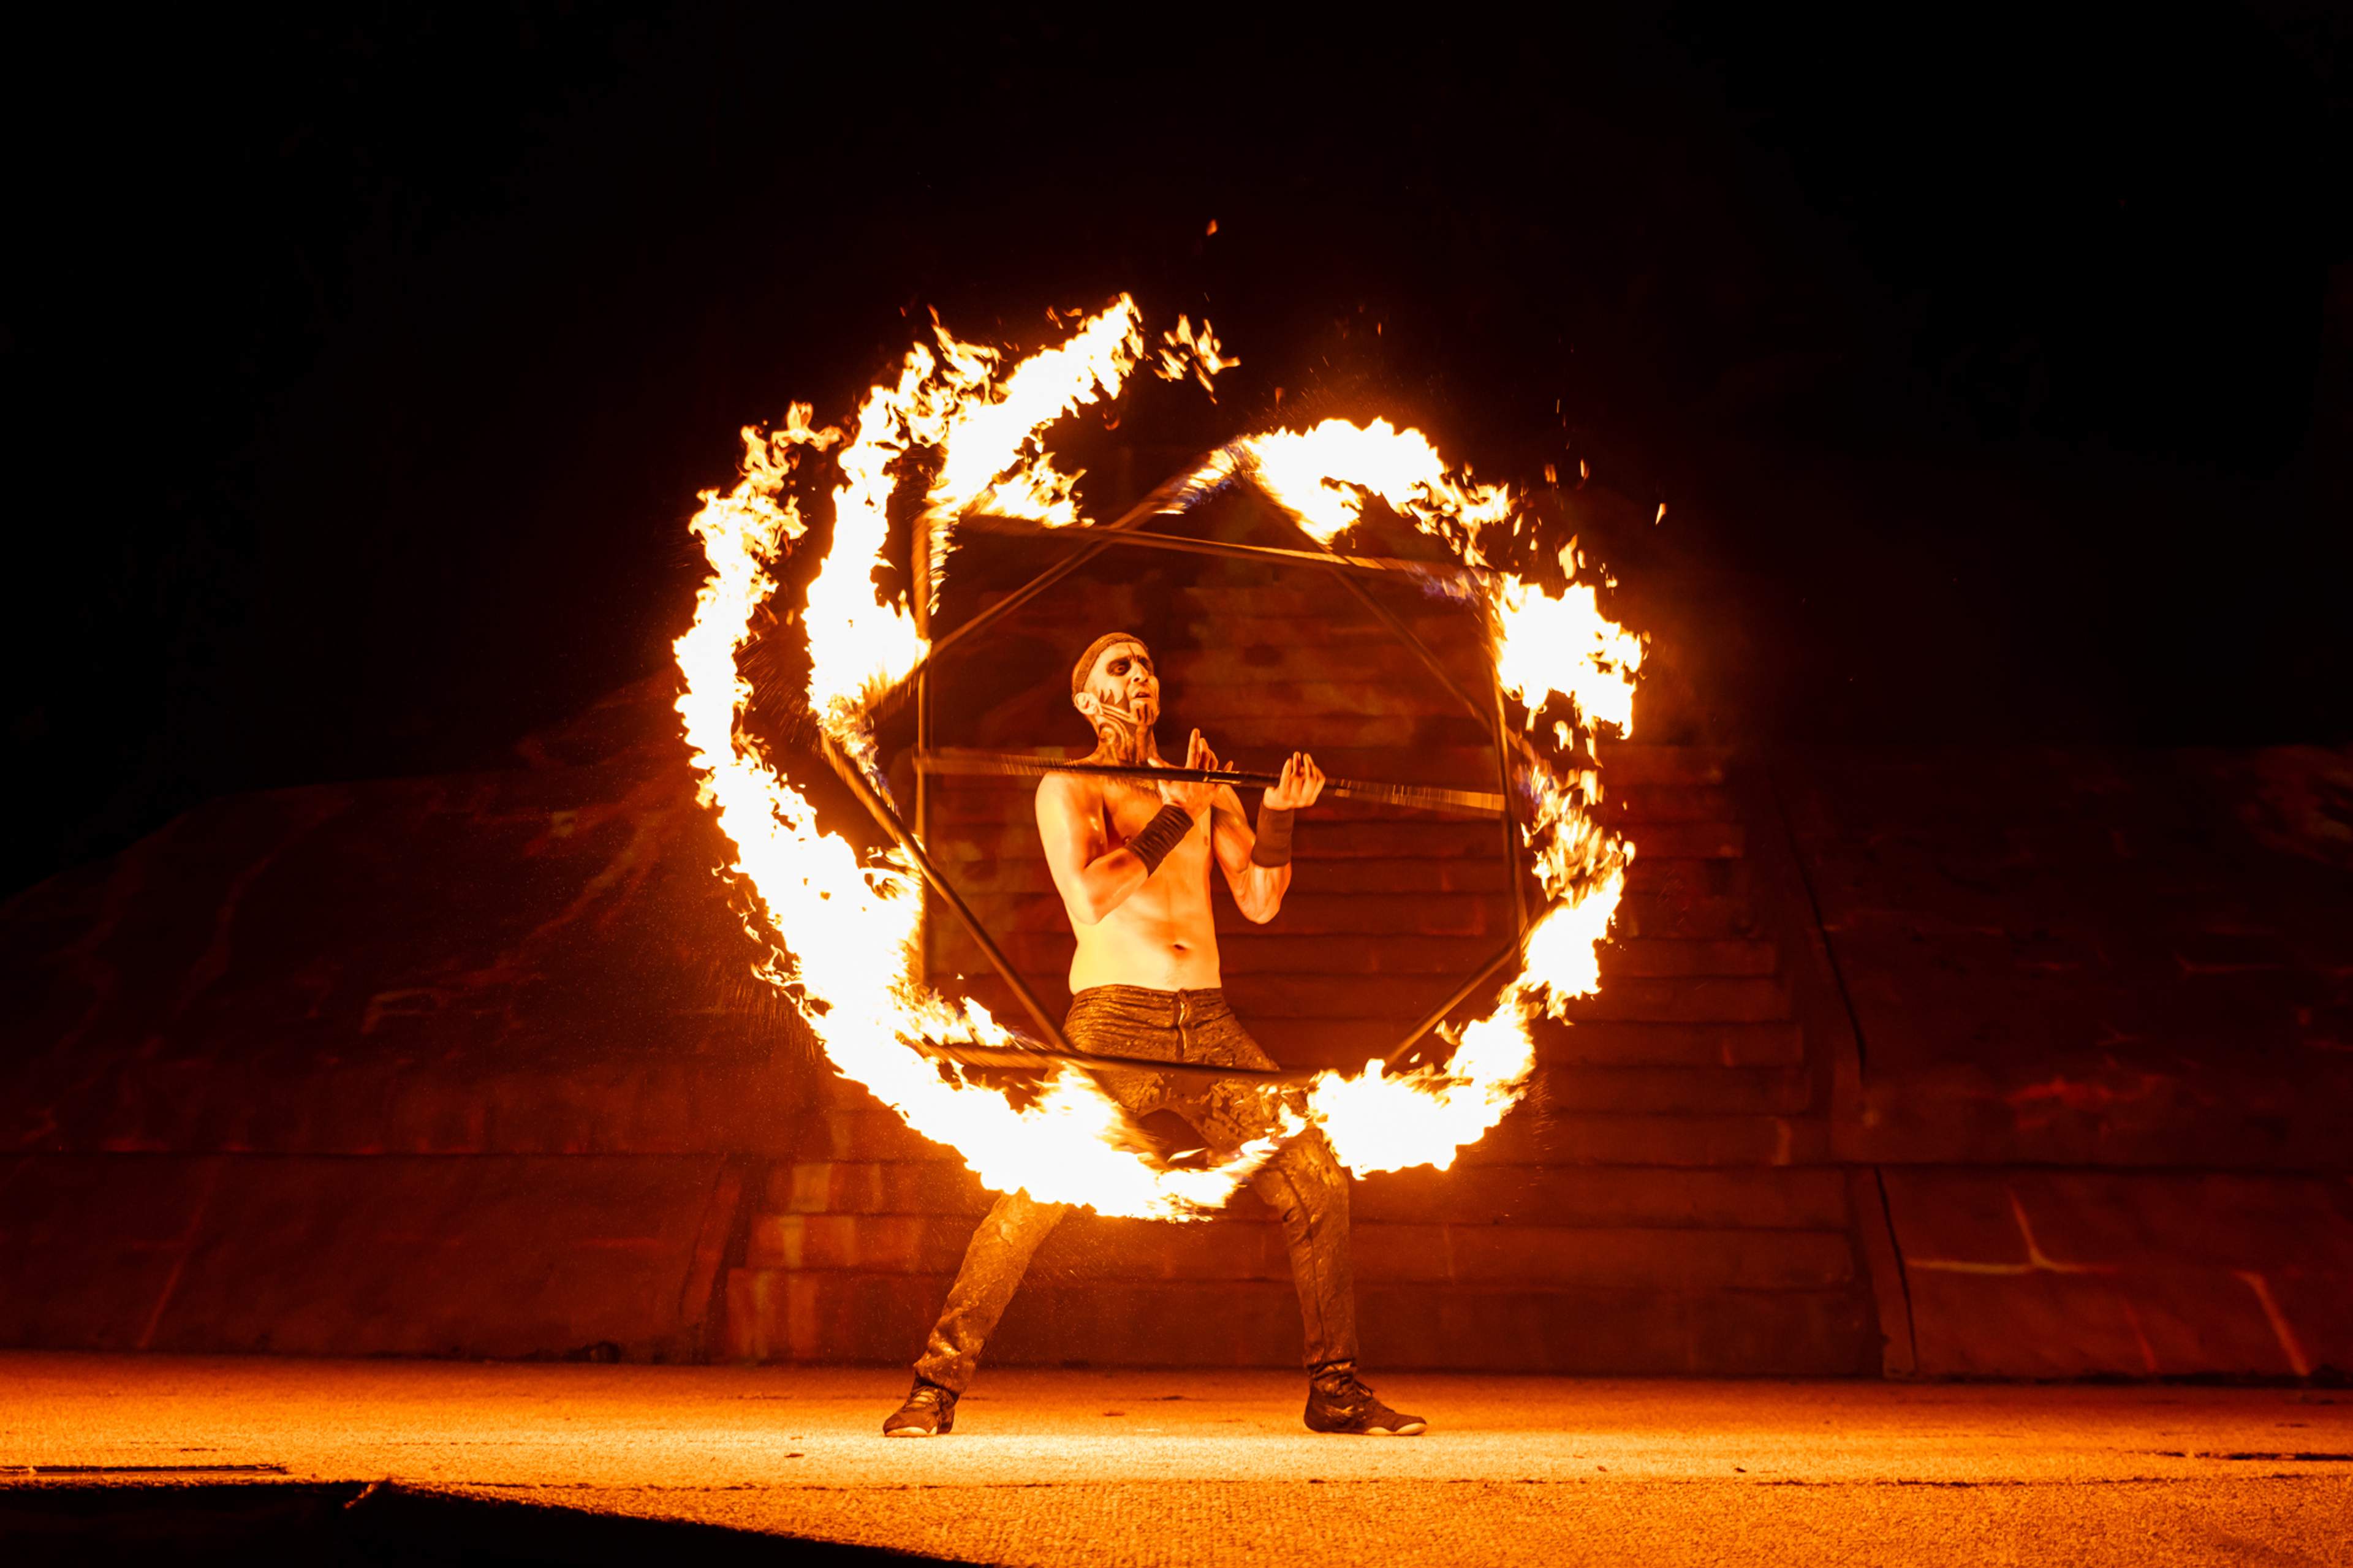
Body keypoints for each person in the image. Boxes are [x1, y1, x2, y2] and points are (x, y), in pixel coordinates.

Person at [882, 631, 1424, 1437]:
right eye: (1119, 665)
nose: (1141, 673)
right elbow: (1092, 897)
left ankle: (1335, 1388)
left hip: (1208, 1025)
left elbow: (1261, 899)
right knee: (1031, 1200)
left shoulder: (1208, 787)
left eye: (1148, 661)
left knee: (1314, 1175)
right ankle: (936, 1386)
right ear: (1087, 697)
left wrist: (1275, 817)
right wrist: (1181, 810)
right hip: (1112, 1022)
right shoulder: (1074, 787)